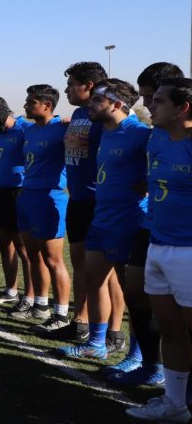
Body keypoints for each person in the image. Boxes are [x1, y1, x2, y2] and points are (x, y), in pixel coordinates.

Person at [105, 62, 186, 385]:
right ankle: (148, 363)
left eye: (153, 97)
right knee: (136, 293)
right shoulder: (154, 135)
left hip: (181, 237)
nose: (147, 104)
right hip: (151, 225)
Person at [60, 79, 150, 363]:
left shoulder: (139, 133)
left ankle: (138, 356)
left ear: (118, 104)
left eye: (98, 99)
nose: (91, 103)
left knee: (134, 294)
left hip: (128, 220)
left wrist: (148, 182)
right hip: (101, 217)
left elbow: (162, 164)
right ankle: (96, 343)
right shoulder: (104, 131)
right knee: (93, 279)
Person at [126, 77, 192, 424]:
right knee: (170, 329)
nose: (150, 105)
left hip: (188, 250)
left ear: (184, 108)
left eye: (160, 101)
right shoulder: (158, 138)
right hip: (158, 244)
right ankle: (175, 404)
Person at [55, 61, 109, 342]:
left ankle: (111, 332)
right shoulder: (77, 114)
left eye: (70, 84)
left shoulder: (105, 117)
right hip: (76, 199)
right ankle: (80, 322)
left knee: (105, 273)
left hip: (98, 201)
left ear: (88, 86)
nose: (66, 90)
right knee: (80, 265)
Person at [12, 84, 72, 329]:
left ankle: (62, 314)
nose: (25, 105)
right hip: (27, 196)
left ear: (47, 106)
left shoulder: (63, 128)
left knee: (53, 259)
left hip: (50, 197)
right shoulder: (29, 129)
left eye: (31, 102)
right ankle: (40, 305)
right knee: (33, 256)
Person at [0, 96, 38, 308]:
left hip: (20, 193)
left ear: (2, 115)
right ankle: (11, 291)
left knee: (24, 249)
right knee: (4, 243)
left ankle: (30, 297)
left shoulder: (25, 130)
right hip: (1, 192)